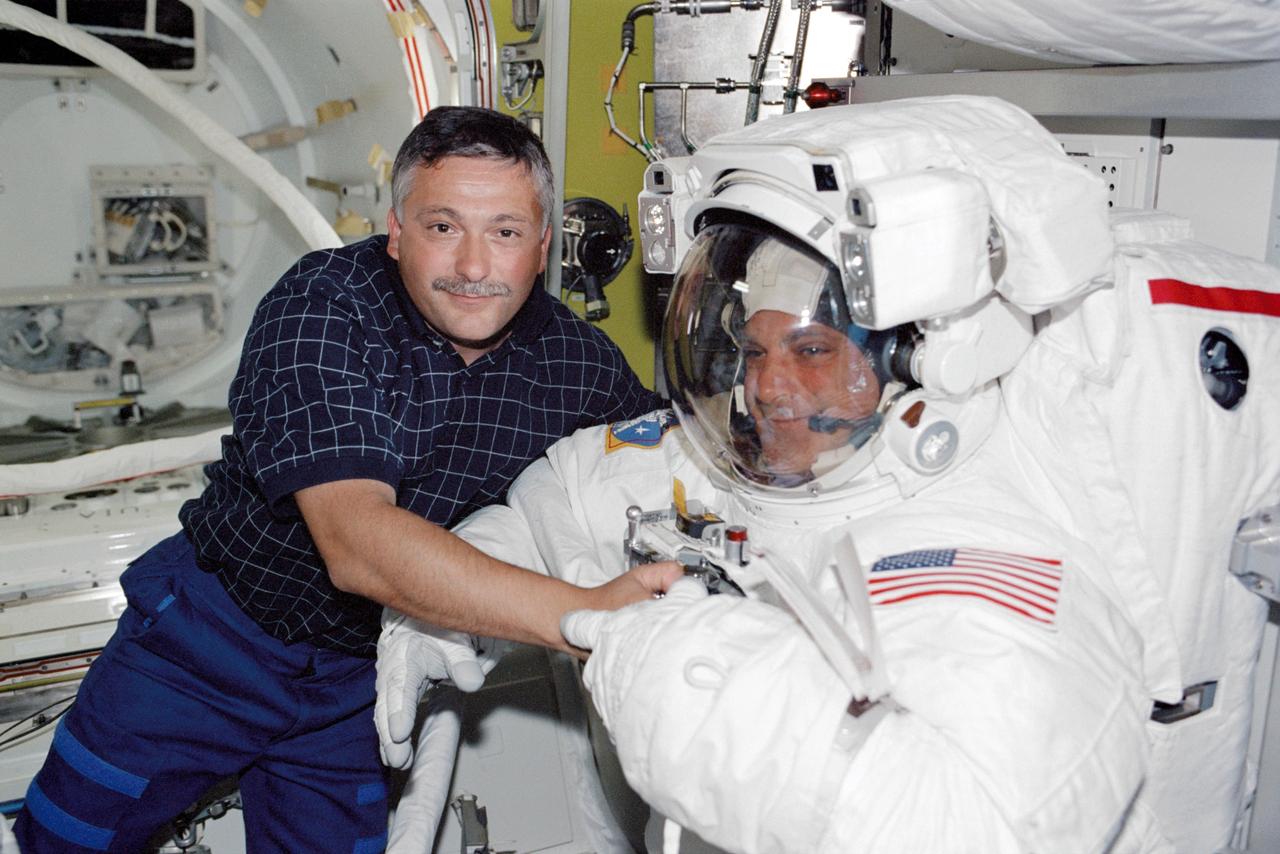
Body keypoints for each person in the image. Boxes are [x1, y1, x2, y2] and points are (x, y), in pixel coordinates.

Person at [377, 97, 1236, 852]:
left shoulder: (988, 543)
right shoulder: (715, 453)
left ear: (919, 360)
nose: (768, 388)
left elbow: (974, 825)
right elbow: (550, 503)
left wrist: (665, 659)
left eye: (813, 352)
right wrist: (456, 609)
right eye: (751, 351)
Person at [14, 106, 680, 854]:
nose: (472, 265)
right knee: (63, 840)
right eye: (441, 227)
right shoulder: (325, 304)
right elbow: (356, 543)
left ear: (541, 246)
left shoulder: (574, 361)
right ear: (396, 232)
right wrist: (585, 616)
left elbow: (669, 453)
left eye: (504, 232)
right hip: (206, 643)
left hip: (356, 686)